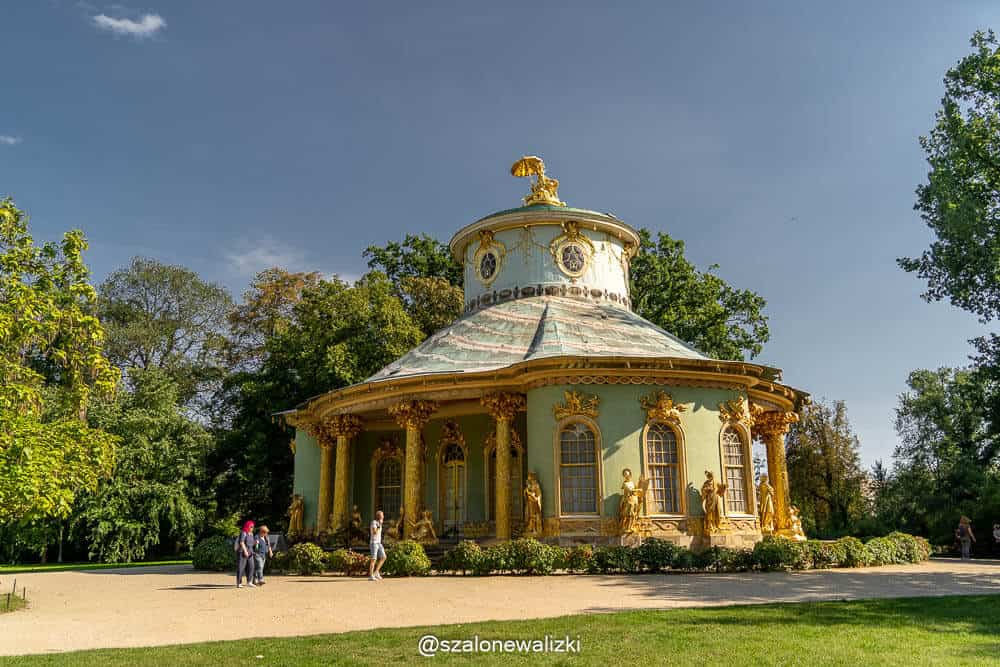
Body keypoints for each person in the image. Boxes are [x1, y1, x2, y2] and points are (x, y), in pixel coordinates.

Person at [235, 520, 255, 588]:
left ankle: (249, 582)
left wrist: (255, 543)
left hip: (250, 552)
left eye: (253, 527)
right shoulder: (243, 533)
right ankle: (239, 583)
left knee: (251, 567)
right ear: (247, 526)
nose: (252, 528)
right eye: (251, 527)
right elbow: (242, 542)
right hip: (242, 552)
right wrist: (245, 551)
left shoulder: (251, 534)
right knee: (241, 567)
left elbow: (251, 544)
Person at [369, 509, 386, 581]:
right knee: (374, 559)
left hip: (379, 543)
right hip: (374, 543)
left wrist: (380, 524)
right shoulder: (374, 522)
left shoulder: (379, 523)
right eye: (382, 515)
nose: (383, 516)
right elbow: (374, 532)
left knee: (383, 557)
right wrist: (379, 525)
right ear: (379, 516)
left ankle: (376, 572)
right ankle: (371, 575)